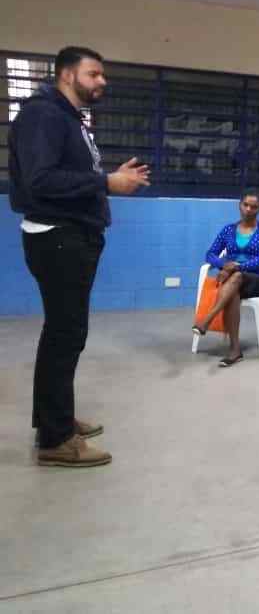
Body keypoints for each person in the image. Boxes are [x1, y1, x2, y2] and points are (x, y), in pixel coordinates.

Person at [9, 46, 150, 467]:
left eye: (102, 74)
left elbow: (66, 174)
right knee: (65, 335)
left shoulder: (67, 118)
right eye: (94, 74)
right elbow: (40, 180)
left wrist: (108, 179)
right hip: (58, 238)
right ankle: (56, 441)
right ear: (67, 75)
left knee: (63, 334)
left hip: (69, 236)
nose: (102, 81)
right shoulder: (44, 115)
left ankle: (54, 420)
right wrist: (106, 182)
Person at [192, 190, 259, 367]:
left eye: (253, 207)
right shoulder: (228, 230)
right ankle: (235, 350)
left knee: (237, 276)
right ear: (239, 205)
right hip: (232, 281)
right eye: (245, 205)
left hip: (256, 280)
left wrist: (236, 267)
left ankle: (207, 319)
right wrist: (224, 265)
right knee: (233, 292)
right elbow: (210, 254)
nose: (248, 209)